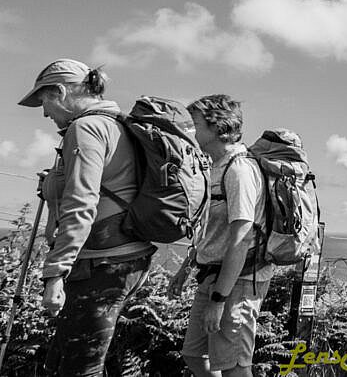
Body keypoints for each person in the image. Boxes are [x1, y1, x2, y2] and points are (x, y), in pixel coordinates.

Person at [18, 58, 156, 376]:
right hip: (123, 258)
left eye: (44, 101)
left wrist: (54, 273)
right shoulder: (113, 124)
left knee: (79, 368)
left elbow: (81, 205)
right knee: (64, 361)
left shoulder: (86, 128)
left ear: (61, 92)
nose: (44, 112)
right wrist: (52, 183)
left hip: (103, 264)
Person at [171, 94, 273, 377]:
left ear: (217, 127)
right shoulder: (215, 166)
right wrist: (185, 269)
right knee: (193, 354)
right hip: (212, 275)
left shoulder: (239, 169)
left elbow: (241, 237)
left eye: (195, 124)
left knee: (234, 369)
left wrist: (219, 301)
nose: (190, 131)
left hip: (237, 282)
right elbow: (210, 229)